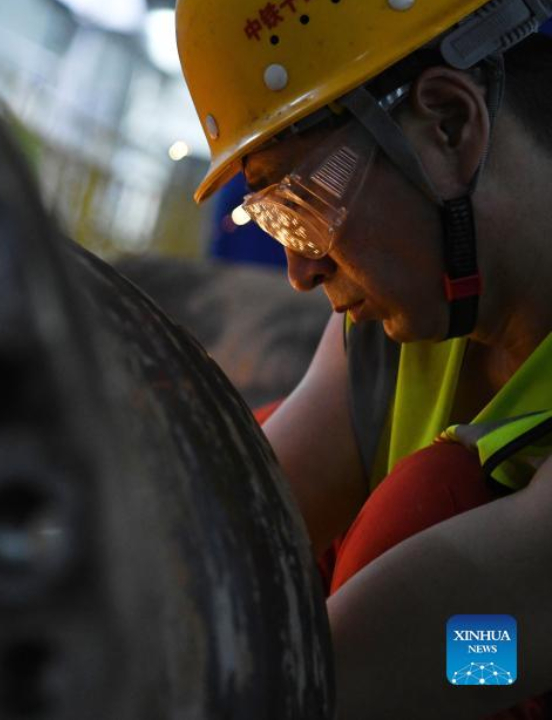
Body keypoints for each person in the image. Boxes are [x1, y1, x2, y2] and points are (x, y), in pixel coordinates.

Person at [175, 2, 552, 718]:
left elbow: (373, 664)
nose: (298, 269)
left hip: (506, 653)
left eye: (305, 202)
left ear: (449, 124)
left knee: (428, 525)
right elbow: (234, 521)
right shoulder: (408, 319)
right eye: (273, 219)